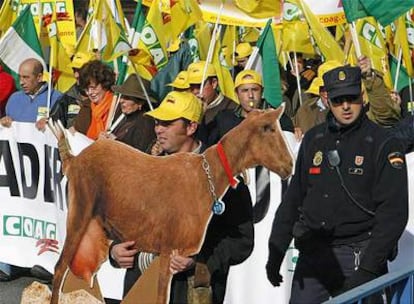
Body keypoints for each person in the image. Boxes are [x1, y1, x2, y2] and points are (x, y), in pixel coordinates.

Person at [266, 65, 408, 303]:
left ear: (362, 98)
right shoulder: (314, 139)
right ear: (327, 100)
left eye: (351, 98)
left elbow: (393, 213)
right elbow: (293, 200)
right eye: (338, 99)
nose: (345, 106)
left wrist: (368, 269)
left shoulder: (383, 143)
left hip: (358, 255)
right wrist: (276, 250)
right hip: (314, 254)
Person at [108, 91, 254, 304]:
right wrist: (114, 250)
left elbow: (242, 241)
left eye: (167, 123)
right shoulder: (143, 168)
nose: (158, 129)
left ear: (191, 127)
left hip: (188, 292)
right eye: (158, 122)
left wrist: (199, 260)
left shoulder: (223, 178)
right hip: (140, 291)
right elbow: (116, 223)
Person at [98, 73, 156, 151]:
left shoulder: (146, 123)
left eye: (127, 98)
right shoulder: (123, 115)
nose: (121, 100)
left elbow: (139, 154)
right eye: (122, 96)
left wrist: (114, 142)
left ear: (140, 102)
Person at [1, 58, 62, 130]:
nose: (21, 82)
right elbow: (6, 125)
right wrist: (3, 121)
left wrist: (51, 123)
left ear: (39, 77)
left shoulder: (57, 98)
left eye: (26, 77)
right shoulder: (14, 98)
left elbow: (65, 130)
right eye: (20, 77)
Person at [186, 61, 237, 145]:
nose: (195, 92)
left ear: (214, 83)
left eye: (199, 86)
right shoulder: (186, 109)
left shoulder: (231, 108)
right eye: (191, 87)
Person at [293, 60, 342, 135]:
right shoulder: (305, 108)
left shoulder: (349, 110)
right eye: (323, 88)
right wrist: (293, 130)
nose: (326, 94)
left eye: (333, 88)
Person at [72, 60, 115, 140]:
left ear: (104, 84)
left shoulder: (117, 106)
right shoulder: (86, 108)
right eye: (86, 89)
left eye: (93, 88)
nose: (90, 93)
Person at [50, 52, 94, 128]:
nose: (76, 75)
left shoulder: (106, 97)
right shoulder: (66, 98)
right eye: (74, 70)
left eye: (80, 70)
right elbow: (56, 125)